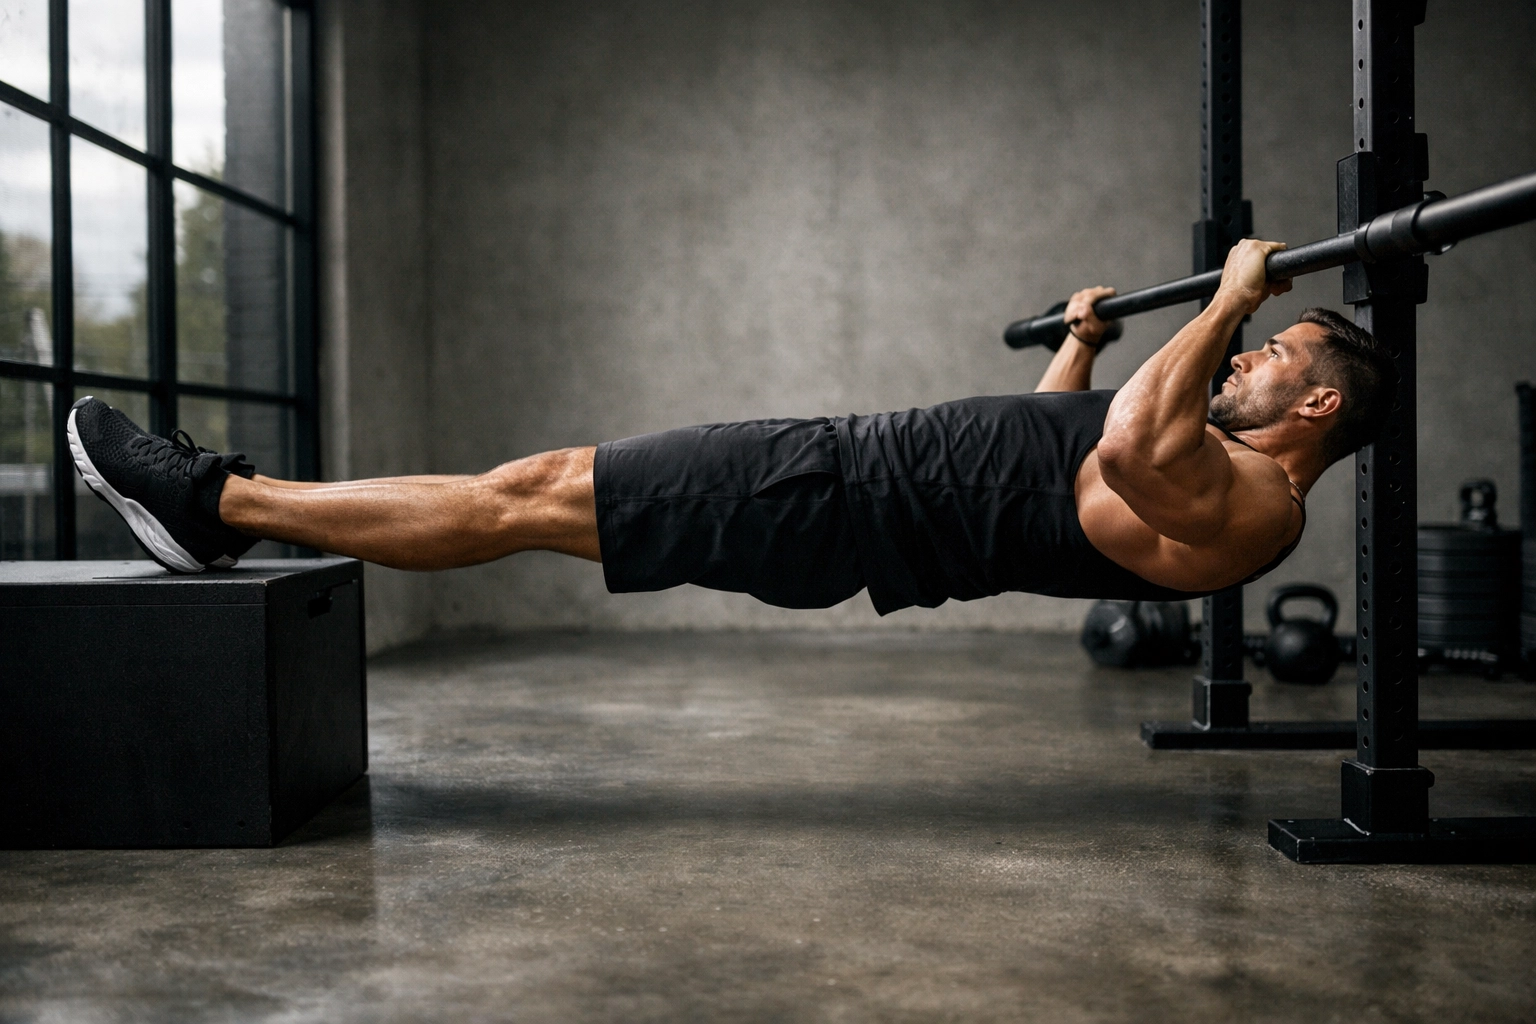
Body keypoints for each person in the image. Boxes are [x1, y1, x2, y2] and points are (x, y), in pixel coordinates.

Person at [67, 239, 1393, 613]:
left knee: (521, 496)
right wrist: (1087, 350)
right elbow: (1070, 462)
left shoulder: (1258, 509)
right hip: (840, 473)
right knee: (528, 488)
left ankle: (215, 503)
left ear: (1320, 407)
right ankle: (223, 508)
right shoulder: (1206, 468)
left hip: (836, 500)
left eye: (1278, 353)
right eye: (1255, 336)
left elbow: (1123, 456)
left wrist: (1226, 297)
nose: (1250, 355)